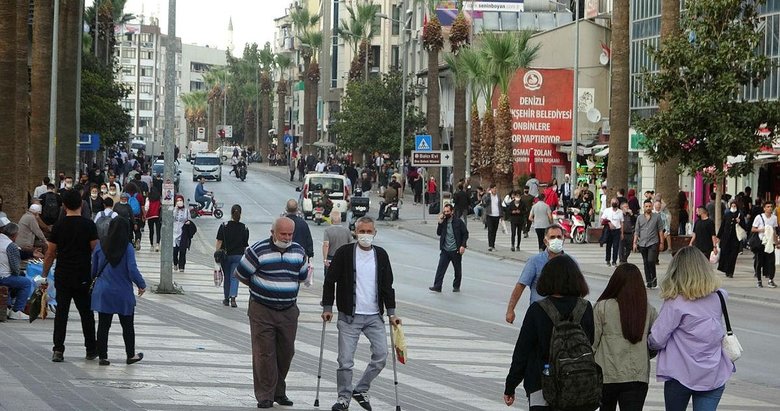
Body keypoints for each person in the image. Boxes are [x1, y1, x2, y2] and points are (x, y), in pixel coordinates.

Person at [322, 216, 401, 411]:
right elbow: (330, 280)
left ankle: (361, 388)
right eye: (361, 231)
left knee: (381, 355)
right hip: (349, 316)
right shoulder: (344, 253)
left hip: (374, 316)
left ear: (375, 233)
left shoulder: (381, 255)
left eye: (369, 232)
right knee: (345, 361)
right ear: (355, 232)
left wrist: (391, 313)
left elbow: (387, 286)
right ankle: (343, 398)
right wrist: (327, 308)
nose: (365, 235)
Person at [648, 246, 734, 410]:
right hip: (713, 373)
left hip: (680, 374)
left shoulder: (676, 303)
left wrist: (647, 344)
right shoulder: (720, 296)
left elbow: (657, 339)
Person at [504, 254, 594, 409]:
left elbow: (522, 351)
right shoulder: (585, 308)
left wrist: (511, 385)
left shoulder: (538, 310)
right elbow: (590, 341)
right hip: (578, 384)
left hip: (542, 383)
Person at [235, 217, 307, 409]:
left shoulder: (299, 251)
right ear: (273, 232)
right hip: (262, 309)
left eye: (290, 234)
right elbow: (241, 274)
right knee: (265, 353)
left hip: (288, 310)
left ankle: (279, 391)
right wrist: (262, 289)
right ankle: (265, 395)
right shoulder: (257, 250)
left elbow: (301, 277)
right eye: (282, 234)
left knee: (286, 352)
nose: (286, 237)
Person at [42, 189, 99, 362]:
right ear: (81, 204)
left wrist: (44, 274)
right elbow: (95, 251)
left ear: (64, 206)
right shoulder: (89, 225)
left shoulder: (59, 226)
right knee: (86, 314)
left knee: (61, 313)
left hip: (63, 274)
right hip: (82, 274)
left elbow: (50, 253)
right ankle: (90, 349)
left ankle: (58, 350)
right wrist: (95, 273)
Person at [593, 264, 658, 411]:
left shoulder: (602, 307)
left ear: (615, 283)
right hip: (637, 376)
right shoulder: (648, 310)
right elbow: (655, 342)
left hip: (606, 375)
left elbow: (592, 342)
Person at [90, 218, 146, 366]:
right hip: (123, 292)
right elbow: (132, 269)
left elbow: (94, 269)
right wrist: (141, 284)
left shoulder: (100, 245)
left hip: (104, 291)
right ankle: (130, 355)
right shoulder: (127, 247)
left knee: (103, 324)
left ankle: (103, 356)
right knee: (127, 325)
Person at [505, 225, 572, 323]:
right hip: (540, 315)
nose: (556, 240)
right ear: (545, 241)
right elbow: (520, 285)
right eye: (552, 237)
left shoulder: (570, 262)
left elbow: (578, 288)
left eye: (559, 237)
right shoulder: (535, 261)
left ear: (563, 239)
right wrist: (510, 310)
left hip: (563, 317)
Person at [429, 203, 468, 293]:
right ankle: (437, 286)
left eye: (448, 211)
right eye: (445, 211)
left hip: (455, 250)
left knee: (457, 270)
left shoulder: (458, 222)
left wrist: (463, 245)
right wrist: (440, 223)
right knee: (440, 269)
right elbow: (438, 233)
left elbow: (465, 233)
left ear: (452, 211)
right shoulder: (444, 222)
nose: (446, 213)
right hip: (445, 250)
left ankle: (456, 286)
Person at [216, 204, 250, 308]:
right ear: (240, 213)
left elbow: (219, 241)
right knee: (234, 277)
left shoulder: (224, 226)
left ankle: (226, 299)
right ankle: (233, 298)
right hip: (238, 256)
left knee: (227, 277)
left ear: (231, 213)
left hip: (226, 256)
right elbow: (245, 245)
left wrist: (217, 254)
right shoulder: (244, 228)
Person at [0, 223, 33, 320]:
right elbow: (15, 268)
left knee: (15, 281)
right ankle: (17, 310)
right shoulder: (10, 245)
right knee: (26, 282)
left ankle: (8, 306)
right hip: (3, 277)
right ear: (15, 235)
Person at [634, 200, 665, 288]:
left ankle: (654, 278)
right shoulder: (640, 218)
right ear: (643, 207)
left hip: (653, 242)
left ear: (652, 207)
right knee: (645, 262)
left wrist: (662, 243)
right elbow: (637, 231)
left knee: (651, 260)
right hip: (642, 243)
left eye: (649, 206)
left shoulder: (657, 217)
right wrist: (635, 242)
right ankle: (649, 281)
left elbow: (660, 230)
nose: (648, 208)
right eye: (646, 206)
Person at [751, 200, 778, 288]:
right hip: (761, 242)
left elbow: (774, 230)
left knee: (771, 261)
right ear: (764, 208)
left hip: (770, 243)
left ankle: (771, 280)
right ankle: (759, 280)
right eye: (768, 207)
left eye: (771, 207)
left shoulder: (774, 218)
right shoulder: (759, 217)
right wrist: (762, 230)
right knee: (759, 261)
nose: (770, 208)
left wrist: (776, 242)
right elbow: (753, 229)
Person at [717, 200, 745, 278]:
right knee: (725, 254)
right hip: (726, 238)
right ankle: (726, 269)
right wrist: (718, 237)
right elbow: (723, 226)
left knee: (733, 256)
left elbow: (745, 227)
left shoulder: (740, 215)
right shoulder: (727, 215)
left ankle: (730, 272)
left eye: (734, 206)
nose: (733, 207)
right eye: (732, 206)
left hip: (735, 239)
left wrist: (740, 222)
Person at [322, 210, 352, 275]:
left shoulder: (327, 231)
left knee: (329, 278)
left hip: (331, 258)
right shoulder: (347, 230)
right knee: (342, 278)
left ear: (331, 219)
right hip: (343, 257)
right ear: (340, 219)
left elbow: (326, 245)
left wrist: (325, 259)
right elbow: (350, 244)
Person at [173, 195, 195, 272]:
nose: (179, 202)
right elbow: (172, 218)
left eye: (180, 200)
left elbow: (189, 219)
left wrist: (188, 222)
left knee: (183, 251)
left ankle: (182, 266)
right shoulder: (173, 209)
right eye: (178, 200)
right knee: (175, 251)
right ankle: (175, 263)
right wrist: (176, 208)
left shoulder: (186, 210)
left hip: (183, 233)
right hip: (174, 233)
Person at [601, 198, 624, 267]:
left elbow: (622, 223)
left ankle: (614, 261)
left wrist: (622, 233)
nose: (614, 203)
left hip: (617, 230)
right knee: (608, 245)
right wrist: (609, 223)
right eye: (613, 202)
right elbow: (602, 220)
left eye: (616, 202)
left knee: (616, 246)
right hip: (609, 231)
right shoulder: (607, 210)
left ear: (618, 203)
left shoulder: (620, 212)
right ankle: (608, 260)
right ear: (611, 203)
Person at [483, 184, 502, 251]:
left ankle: (493, 244)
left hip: (497, 215)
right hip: (490, 215)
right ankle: (490, 245)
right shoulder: (488, 196)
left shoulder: (498, 196)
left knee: (494, 231)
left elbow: (500, 206)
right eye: (493, 188)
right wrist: (488, 194)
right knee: (490, 230)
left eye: (495, 188)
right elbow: (485, 203)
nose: (495, 190)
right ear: (490, 189)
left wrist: (501, 215)